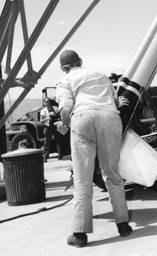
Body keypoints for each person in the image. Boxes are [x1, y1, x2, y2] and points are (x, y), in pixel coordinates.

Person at [55, 49, 131, 248]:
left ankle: (80, 235)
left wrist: (64, 124)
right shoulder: (100, 74)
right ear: (80, 60)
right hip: (109, 117)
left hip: (83, 118)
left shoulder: (65, 81)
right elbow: (115, 101)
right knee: (112, 173)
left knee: (83, 179)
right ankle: (123, 225)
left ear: (64, 68)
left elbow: (65, 108)